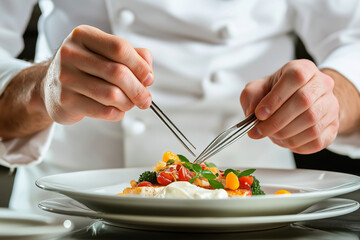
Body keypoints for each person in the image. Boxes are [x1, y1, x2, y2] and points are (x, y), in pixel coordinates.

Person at [1, 0, 360, 214]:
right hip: (72, 211)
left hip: (255, 214)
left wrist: (328, 98)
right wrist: (40, 87)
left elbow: (353, 41)